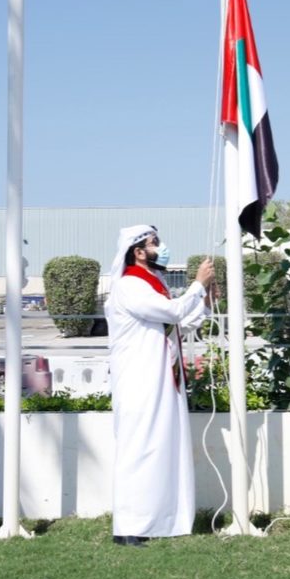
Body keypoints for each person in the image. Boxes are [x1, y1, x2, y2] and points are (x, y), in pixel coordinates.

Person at [105, 225, 216, 547]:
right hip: (139, 380)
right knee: (138, 449)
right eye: (155, 243)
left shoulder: (156, 284)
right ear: (138, 251)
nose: (161, 248)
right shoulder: (129, 286)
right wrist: (197, 284)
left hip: (162, 379)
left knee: (161, 449)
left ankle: (160, 520)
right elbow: (173, 311)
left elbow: (185, 320)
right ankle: (128, 526)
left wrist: (205, 299)